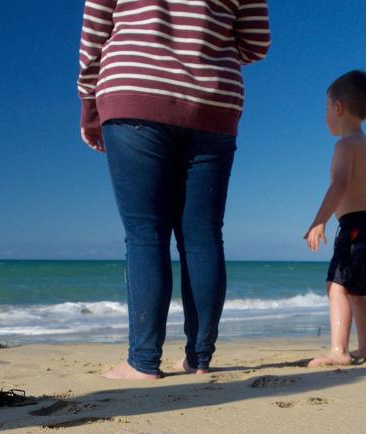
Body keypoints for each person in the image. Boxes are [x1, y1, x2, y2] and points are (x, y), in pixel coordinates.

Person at [77, 0, 270, 379]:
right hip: (212, 99)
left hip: (134, 88)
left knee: (146, 234)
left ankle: (144, 361)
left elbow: (95, 29)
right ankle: (199, 359)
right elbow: (256, 42)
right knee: (203, 237)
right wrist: (204, 45)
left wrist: (89, 103)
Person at [303, 70, 366, 367]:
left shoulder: (344, 146)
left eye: (326, 109)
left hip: (354, 226)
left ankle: (339, 350)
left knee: (336, 287)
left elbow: (338, 184)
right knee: (357, 291)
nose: (325, 115)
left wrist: (319, 220)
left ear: (338, 107)